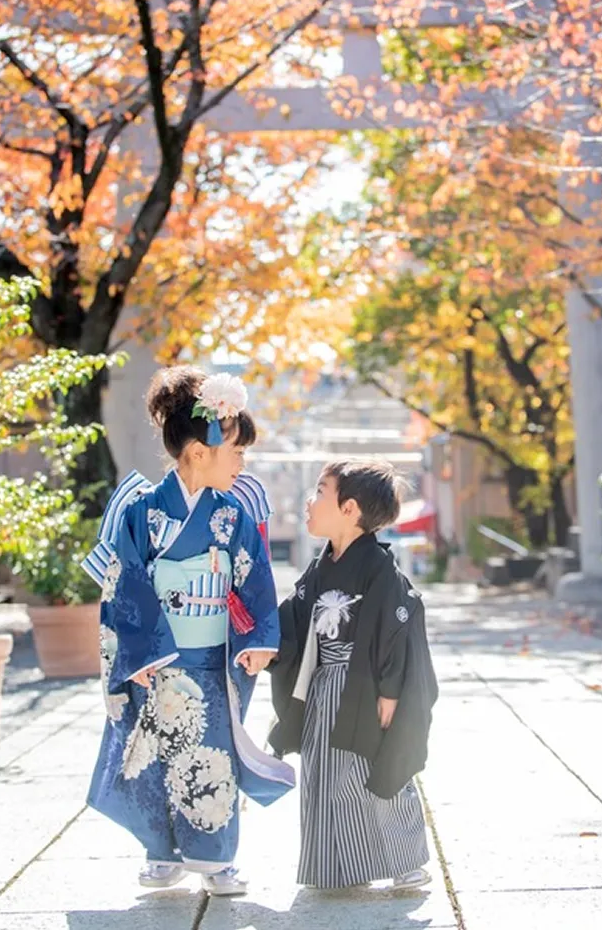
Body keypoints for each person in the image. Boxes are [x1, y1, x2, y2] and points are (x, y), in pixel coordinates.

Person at [81, 367, 294, 895]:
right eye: (236, 453)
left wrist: (257, 640)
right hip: (157, 663)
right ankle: (161, 852)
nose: (242, 464)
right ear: (199, 452)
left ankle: (215, 860)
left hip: (211, 659)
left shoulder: (232, 514)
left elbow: (255, 578)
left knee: (211, 758)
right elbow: (124, 583)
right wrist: (143, 654)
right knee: (152, 760)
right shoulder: (142, 513)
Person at [268, 460, 438, 891]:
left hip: (363, 684)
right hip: (324, 687)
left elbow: (397, 625)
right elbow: (290, 619)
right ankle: (338, 867)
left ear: (349, 509)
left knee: (370, 774)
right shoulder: (321, 566)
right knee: (325, 778)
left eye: (319, 492)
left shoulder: (380, 569)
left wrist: (392, 688)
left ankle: (406, 859)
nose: (310, 502)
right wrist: (262, 647)